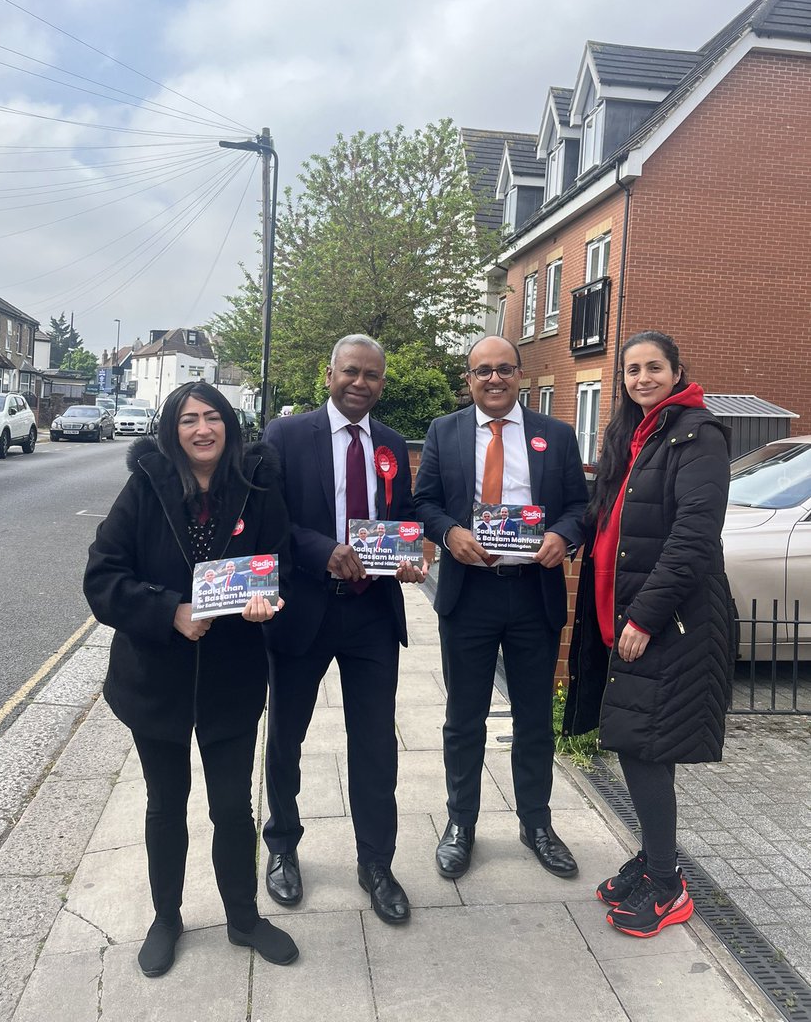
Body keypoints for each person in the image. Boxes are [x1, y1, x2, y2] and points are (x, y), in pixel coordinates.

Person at [83, 381, 299, 977]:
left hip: (232, 679)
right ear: (171, 431)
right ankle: (166, 917)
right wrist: (168, 610)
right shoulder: (145, 487)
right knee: (165, 805)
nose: (202, 429)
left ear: (228, 424)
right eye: (187, 420)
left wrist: (267, 601)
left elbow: (280, 563)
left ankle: (243, 917)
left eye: (212, 417)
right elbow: (101, 578)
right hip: (156, 681)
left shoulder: (256, 487)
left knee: (232, 808)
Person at [563, 331, 734, 937]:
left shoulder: (698, 435)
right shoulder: (636, 434)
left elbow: (693, 538)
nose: (641, 379)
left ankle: (668, 885)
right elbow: (611, 515)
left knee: (644, 746)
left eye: (653, 368)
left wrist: (643, 619)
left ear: (676, 371)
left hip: (667, 622)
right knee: (636, 740)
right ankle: (653, 858)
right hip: (628, 609)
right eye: (632, 370)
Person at [262, 334, 426, 925]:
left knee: (376, 743)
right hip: (304, 608)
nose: (361, 383)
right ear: (328, 374)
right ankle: (281, 846)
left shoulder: (387, 443)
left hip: (370, 613)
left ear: (383, 383)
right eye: (351, 372)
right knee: (286, 735)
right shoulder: (285, 436)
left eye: (372, 376)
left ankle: (376, 863)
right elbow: (269, 522)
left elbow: (400, 517)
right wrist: (322, 550)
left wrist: (408, 555)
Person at [414, 335, 588, 882]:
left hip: (533, 591)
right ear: (468, 379)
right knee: (463, 717)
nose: (494, 379)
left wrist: (564, 536)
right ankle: (460, 824)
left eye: (504, 369)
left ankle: (536, 824)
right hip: (470, 593)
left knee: (534, 716)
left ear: (519, 375)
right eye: (482, 371)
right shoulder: (445, 431)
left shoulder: (555, 436)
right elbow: (423, 501)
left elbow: (582, 506)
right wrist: (449, 534)